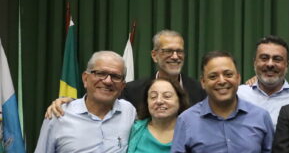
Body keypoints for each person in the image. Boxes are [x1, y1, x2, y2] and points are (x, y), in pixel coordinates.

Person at [45, 30, 205, 117]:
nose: (175, 56)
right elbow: (102, 106)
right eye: (168, 51)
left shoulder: (200, 91)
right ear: (154, 55)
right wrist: (70, 102)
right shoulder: (131, 90)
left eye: (179, 51)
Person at [237, 35, 289, 126]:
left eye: (277, 59)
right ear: (254, 62)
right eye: (264, 58)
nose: (270, 64)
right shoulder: (238, 95)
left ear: (287, 64)